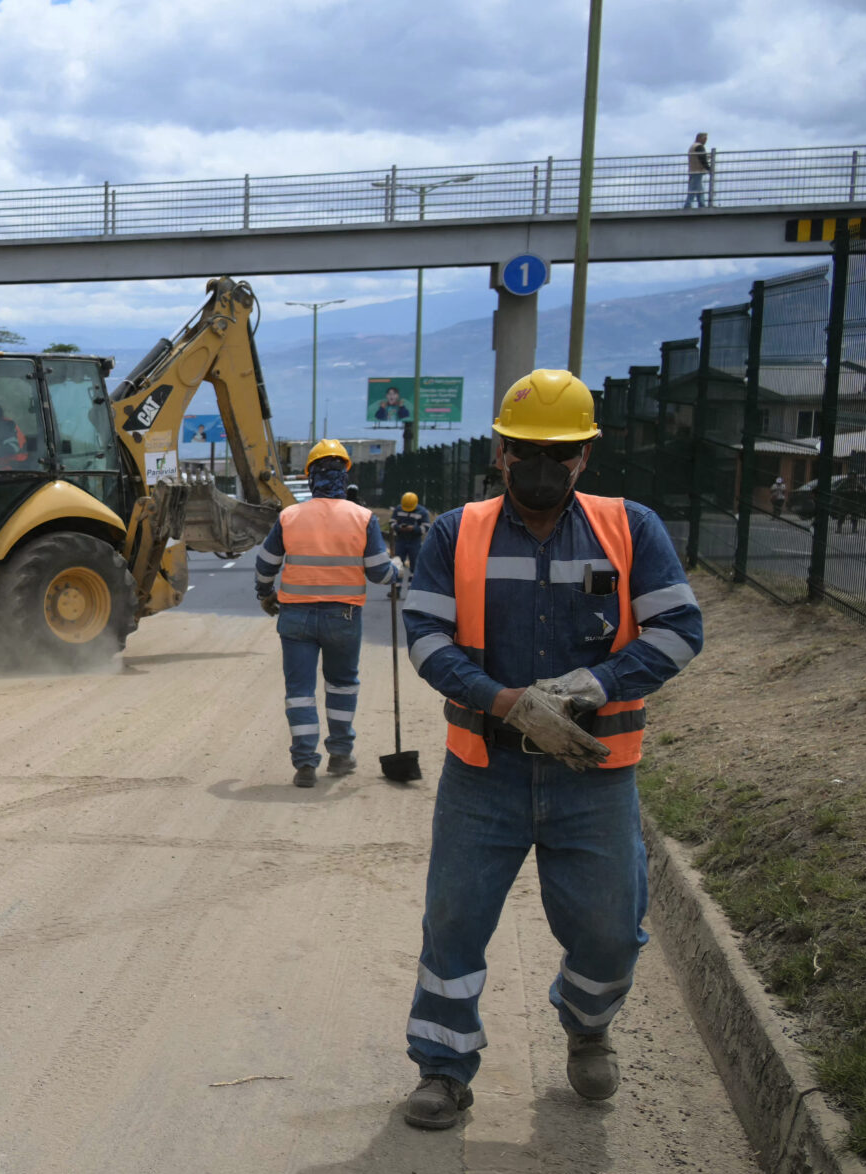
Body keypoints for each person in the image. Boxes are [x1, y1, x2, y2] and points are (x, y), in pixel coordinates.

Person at [396, 369, 704, 1129]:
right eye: (525, 451)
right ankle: (443, 1067)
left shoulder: (630, 529)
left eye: (558, 453)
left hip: (593, 778)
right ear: (500, 452)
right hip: (485, 773)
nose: (540, 467)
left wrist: (592, 687)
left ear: (584, 457)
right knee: (454, 921)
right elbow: (427, 636)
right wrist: (504, 701)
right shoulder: (452, 532)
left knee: (609, 929)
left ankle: (586, 1021)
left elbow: (679, 629)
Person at [254, 439, 398, 789]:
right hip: (344, 617)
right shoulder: (362, 517)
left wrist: (265, 594)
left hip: (296, 618)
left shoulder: (289, 516)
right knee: (343, 686)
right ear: (345, 474)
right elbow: (379, 572)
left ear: (310, 476)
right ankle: (340, 755)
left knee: (300, 691)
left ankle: (305, 763)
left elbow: (265, 564)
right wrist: (398, 573)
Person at [390, 491, 431, 576]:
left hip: (415, 541)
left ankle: (412, 586)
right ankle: (397, 587)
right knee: (397, 564)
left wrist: (413, 529)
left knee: (415, 565)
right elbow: (391, 523)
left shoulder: (422, 512)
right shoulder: (398, 509)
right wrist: (399, 528)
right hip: (401, 540)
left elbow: (426, 527)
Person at [685, 133, 714, 208]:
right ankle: (688, 205)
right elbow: (702, 158)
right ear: (699, 138)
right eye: (704, 138)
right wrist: (709, 169)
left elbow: (699, 156)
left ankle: (701, 204)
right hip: (697, 171)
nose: (705, 141)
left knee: (698, 189)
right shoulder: (699, 146)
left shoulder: (693, 146)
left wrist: (707, 156)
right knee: (694, 189)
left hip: (692, 170)